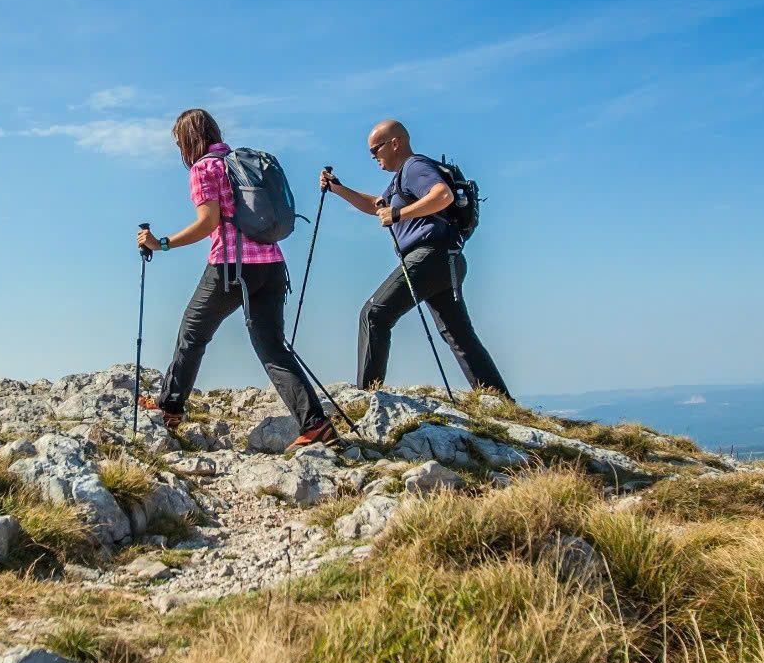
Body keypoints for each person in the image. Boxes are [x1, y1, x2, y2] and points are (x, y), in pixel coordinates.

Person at [137, 109, 338, 448]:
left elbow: (207, 222)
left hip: (231, 267)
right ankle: (315, 425)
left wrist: (163, 243)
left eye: (178, 143)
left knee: (192, 332)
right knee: (273, 346)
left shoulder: (205, 168)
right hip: (272, 265)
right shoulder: (240, 163)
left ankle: (170, 407)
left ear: (189, 141)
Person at [319, 120, 512, 400]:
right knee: (458, 335)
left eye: (375, 149)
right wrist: (339, 189)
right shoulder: (401, 179)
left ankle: (368, 395)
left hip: (429, 257)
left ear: (395, 143)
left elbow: (442, 196)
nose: (373, 156)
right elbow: (377, 206)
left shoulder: (414, 167)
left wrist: (399, 215)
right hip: (448, 260)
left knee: (374, 314)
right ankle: (501, 400)